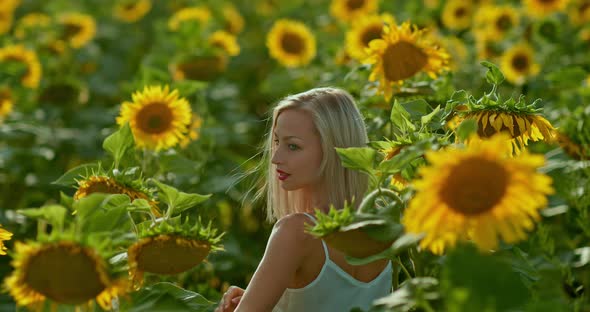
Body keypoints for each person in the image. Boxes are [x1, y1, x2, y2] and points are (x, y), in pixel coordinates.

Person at [215, 87, 392, 312]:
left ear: (332, 150)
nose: (276, 158)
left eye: (293, 146)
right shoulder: (386, 227)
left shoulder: (296, 231)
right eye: (277, 142)